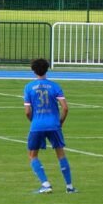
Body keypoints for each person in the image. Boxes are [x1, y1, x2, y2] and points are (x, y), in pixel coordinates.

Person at [23, 57, 75, 194]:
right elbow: (65, 108)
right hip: (54, 124)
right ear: (47, 69)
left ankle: (46, 185)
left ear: (33, 70)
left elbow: (27, 112)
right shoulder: (55, 86)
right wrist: (60, 123)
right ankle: (69, 187)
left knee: (33, 155)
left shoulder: (28, 87)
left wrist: (34, 121)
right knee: (60, 154)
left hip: (37, 125)